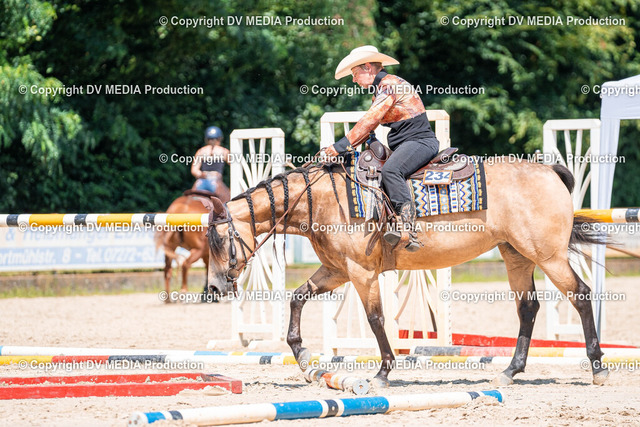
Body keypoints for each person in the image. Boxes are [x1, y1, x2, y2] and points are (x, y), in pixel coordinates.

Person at [323, 45, 440, 252]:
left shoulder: (389, 85)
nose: (354, 80)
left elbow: (369, 120)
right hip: (409, 143)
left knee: (391, 170)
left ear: (368, 67)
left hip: (420, 142)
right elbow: (371, 126)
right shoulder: (382, 88)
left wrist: (339, 147)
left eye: (355, 73)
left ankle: (408, 227)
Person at [191, 126, 230, 200]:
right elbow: (235, 166)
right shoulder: (223, 151)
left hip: (201, 181)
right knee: (227, 200)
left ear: (206, 139)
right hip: (216, 182)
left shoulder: (201, 151)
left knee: (192, 200)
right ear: (220, 139)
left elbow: (194, 170)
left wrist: (201, 174)